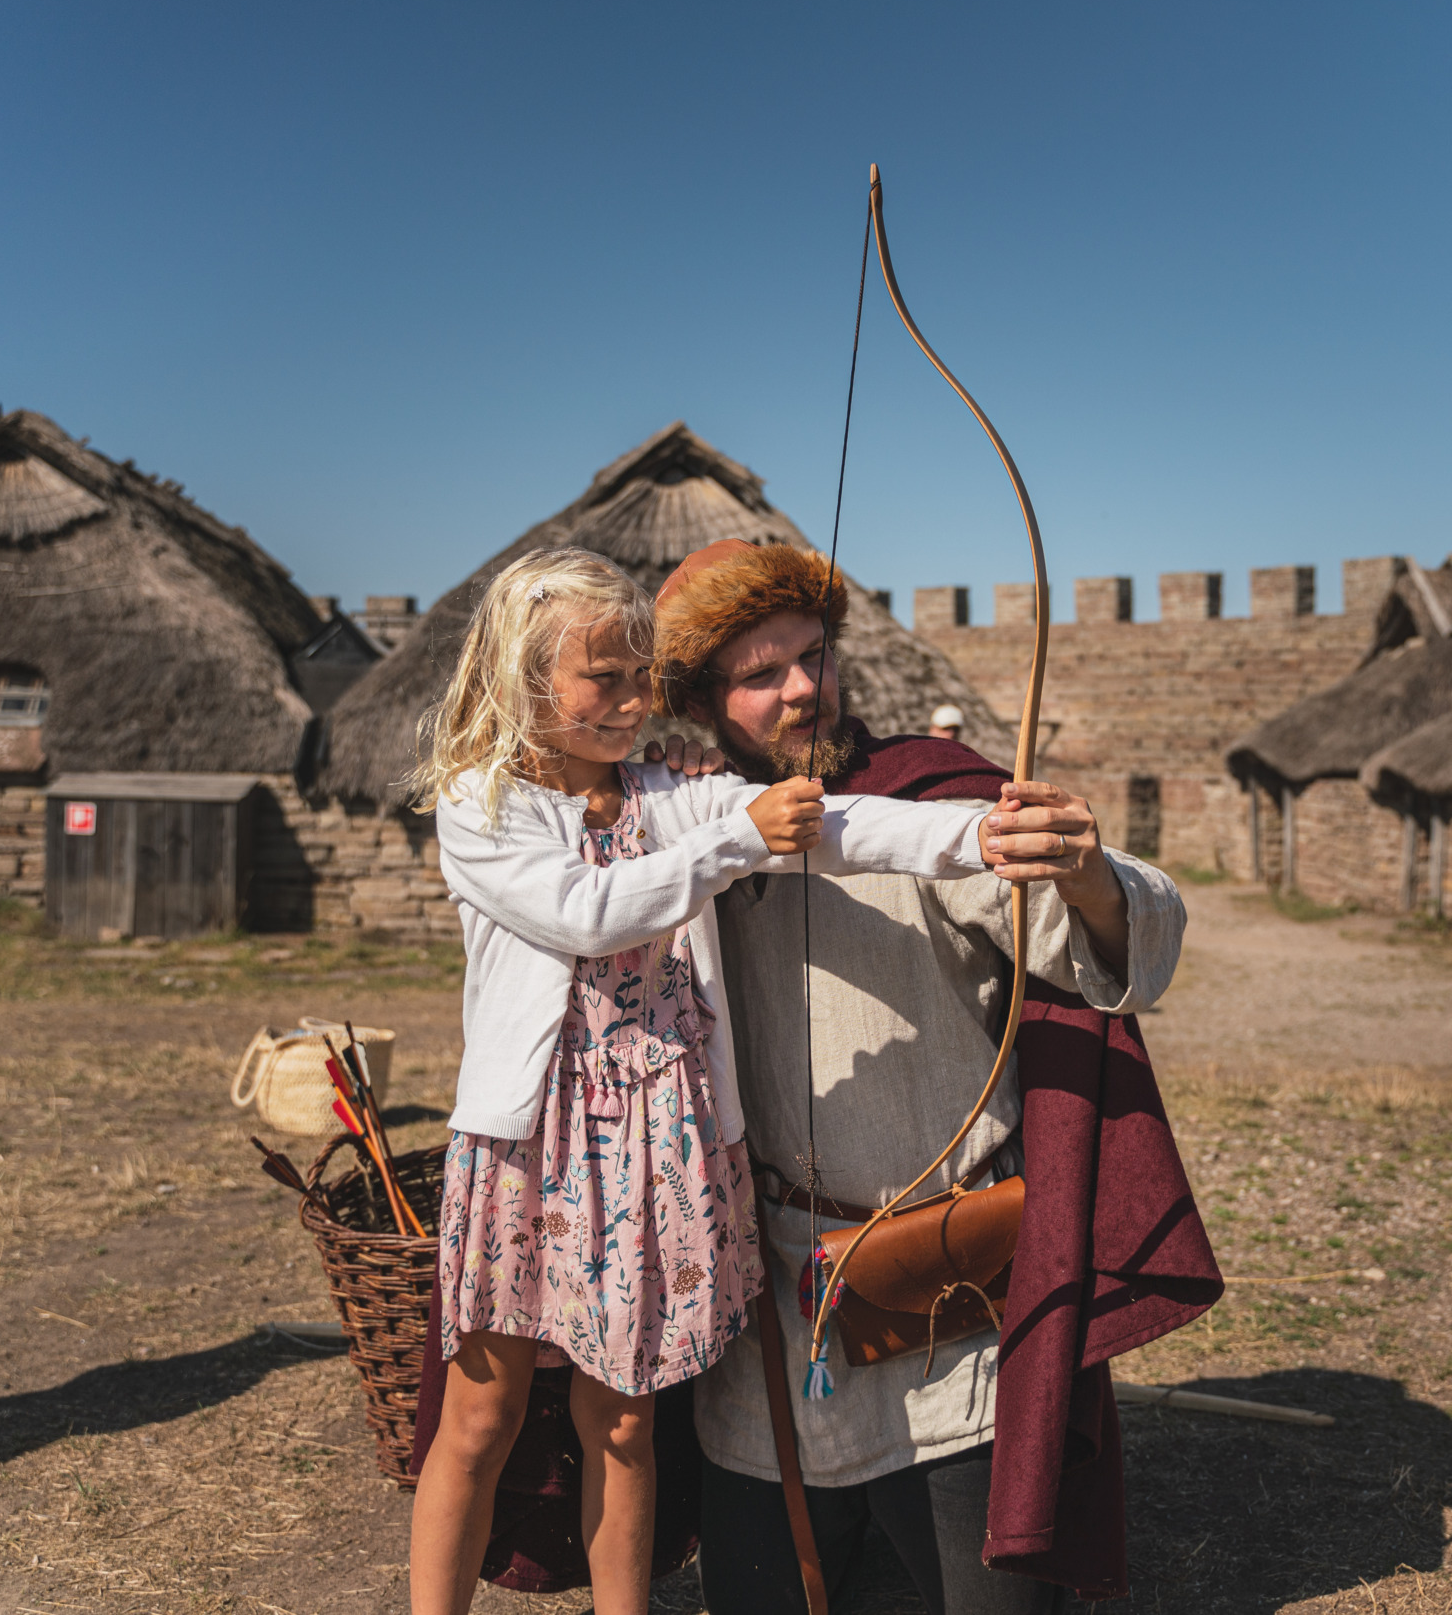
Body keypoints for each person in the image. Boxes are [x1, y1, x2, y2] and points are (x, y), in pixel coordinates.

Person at [403, 547, 1017, 1615]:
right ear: (522, 682)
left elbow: (841, 823)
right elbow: (586, 912)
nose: (636, 701)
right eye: (606, 679)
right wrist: (736, 832)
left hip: (652, 1147)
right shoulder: (481, 804)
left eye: (644, 676)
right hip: (531, 1149)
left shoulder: (666, 797)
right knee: (480, 1419)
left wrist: (983, 833)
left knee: (627, 1420)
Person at [648, 539, 1217, 1613]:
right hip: (766, 1318)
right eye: (762, 673)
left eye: (813, 655)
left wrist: (1087, 872)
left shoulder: (925, 798)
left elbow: (1104, 928)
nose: (804, 687)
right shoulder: (681, 832)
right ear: (705, 699)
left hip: (949, 1308)